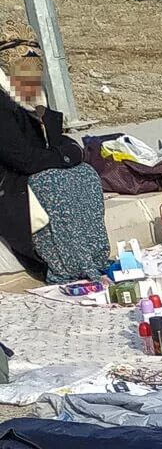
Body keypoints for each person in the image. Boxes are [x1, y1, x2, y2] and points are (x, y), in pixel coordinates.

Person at [0, 51, 110, 283]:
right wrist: (64, 156)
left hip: (32, 169)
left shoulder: (31, 99)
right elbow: (22, 159)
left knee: (85, 174)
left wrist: (67, 155)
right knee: (53, 183)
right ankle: (67, 263)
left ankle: (92, 256)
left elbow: (58, 143)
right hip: (9, 184)